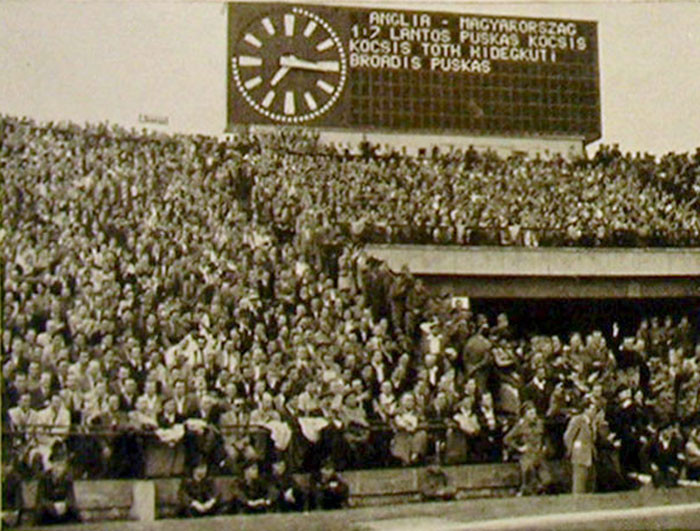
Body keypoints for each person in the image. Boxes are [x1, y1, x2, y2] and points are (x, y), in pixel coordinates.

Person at [504, 401, 547, 496]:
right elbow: (507, 439)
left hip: (538, 454)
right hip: (527, 455)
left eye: (534, 413)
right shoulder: (520, 426)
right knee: (529, 472)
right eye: (531, 413)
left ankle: (539, 489)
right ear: (525, 415)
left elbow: (544, 436)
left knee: (547, 479)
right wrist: (519, 448)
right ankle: (526, 490)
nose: (533, 416)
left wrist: (544, 446)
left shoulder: (540, 423)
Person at [35, 448, 80, 525]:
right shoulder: (44, 478)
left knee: (74, 513)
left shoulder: (67, 479)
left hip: (63, 511)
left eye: (62, 465)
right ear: (52, 465)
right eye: (56, 464)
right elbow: (41, 498)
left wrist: (65, 504)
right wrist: (52, 506)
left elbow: (71, 497)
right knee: (40, 512)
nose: (59, 468)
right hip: (48, 512)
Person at [563, 403, 598, 494]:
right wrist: (571, 449)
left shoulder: (592, 422)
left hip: (590, 455)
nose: (594, 412)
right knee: (579, 482)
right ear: (586, 410)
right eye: (592, 409)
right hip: (579, 455)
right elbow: (568, 436)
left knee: (590, 482)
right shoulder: (577, 420)